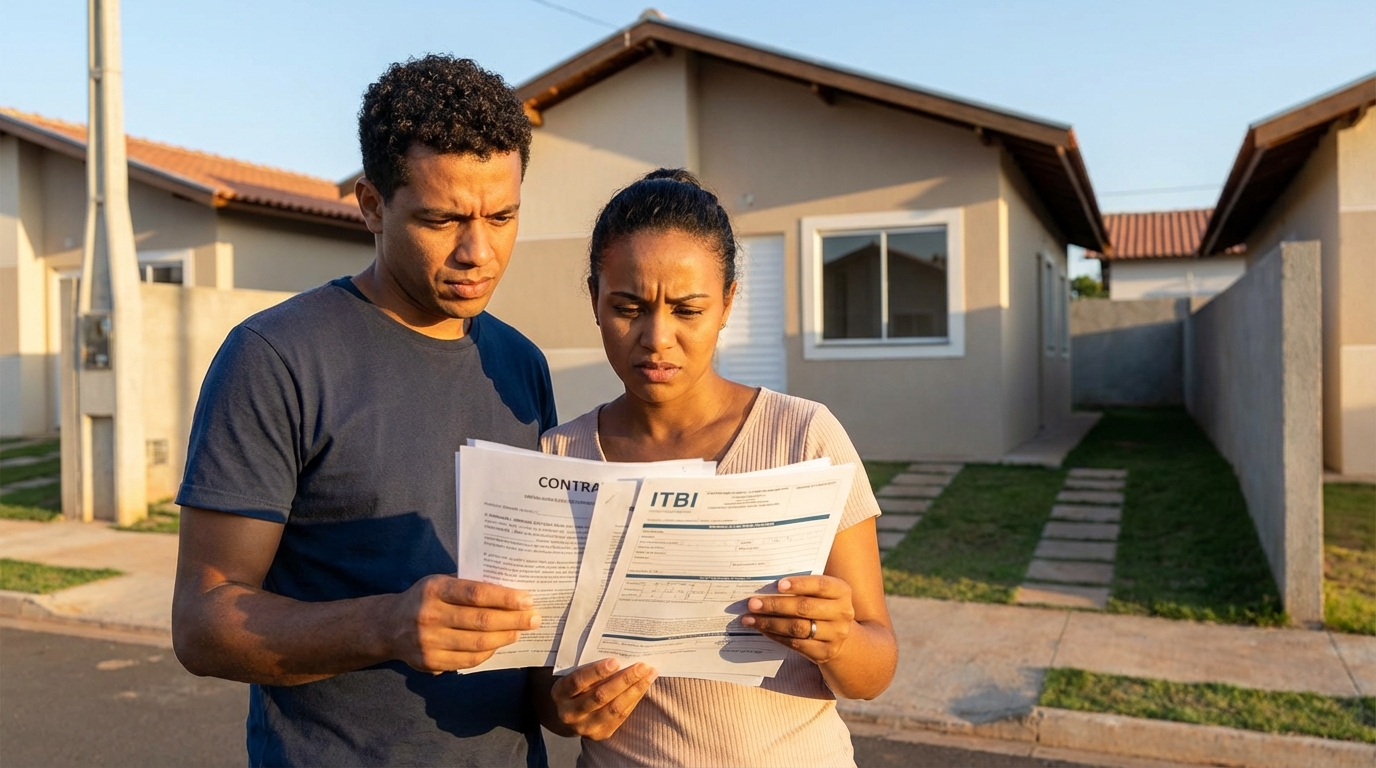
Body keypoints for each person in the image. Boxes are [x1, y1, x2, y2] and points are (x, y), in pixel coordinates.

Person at [171, 55, 555, 767]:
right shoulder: (275, 357)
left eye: (503, 216)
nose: (480, 251)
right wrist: (389, 625)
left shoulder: (522, 365)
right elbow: (202, 624)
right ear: (372, 205)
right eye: (441, 219)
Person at [534, 169, 898, 766]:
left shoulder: (803, 438)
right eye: (628, 307)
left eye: (688, 309)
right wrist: (566, 707)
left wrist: (836, 640)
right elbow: (543, 688)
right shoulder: (559, 459)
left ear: (727, 302)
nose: (658, 338)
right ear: (594, 299)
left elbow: (874, 665)